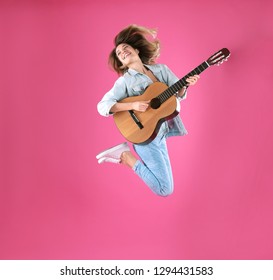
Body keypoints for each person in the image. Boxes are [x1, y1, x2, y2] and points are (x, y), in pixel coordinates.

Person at [96, 24, 199, 197]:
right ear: (121, 63)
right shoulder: (125, 82)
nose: (122, 52)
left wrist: (187, 84)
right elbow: (102, 106)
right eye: (119, 54)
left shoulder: (162, 70)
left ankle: (125, 154)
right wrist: (132, 105)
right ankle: (126, 156)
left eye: (125, 48)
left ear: (136, 50)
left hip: (160, 133)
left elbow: (178, 95)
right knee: (165, 189)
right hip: (142, 135)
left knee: (168, 186)